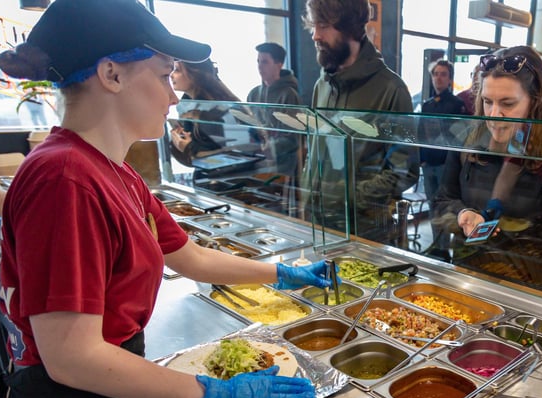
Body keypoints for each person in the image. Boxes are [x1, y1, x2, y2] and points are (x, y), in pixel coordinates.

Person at [0, 0, 330, 398]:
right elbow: (70, 356)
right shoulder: (65, 179)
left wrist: (284, 273)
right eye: (164, 74)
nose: (176, 95)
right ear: (111, 73)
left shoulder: (116, 172)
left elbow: (190, 257)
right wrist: (211, 394)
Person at [433, 46, 542, 293]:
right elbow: (442, 199)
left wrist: (519, 274)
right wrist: (461, 213)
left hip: (535, 292)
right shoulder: (468, 140)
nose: (494, 115)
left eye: (508, 104)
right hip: (470, 279)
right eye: (487, 102)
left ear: (536, 101)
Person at [304, 0, 419, 244]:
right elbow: (313, 152)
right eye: (314, 26)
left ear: (350, 28)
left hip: (365, 233)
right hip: (317, 224)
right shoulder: (321, 85)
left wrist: (345, 195)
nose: (315, 35)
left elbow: (403, 171)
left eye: (323, 26)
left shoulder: (392, 90)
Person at [419, 59, 466, 253]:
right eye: (435, 74)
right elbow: (421, 133)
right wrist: (421, 158)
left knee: (447, 208)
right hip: (429, 163)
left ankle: (446, 247)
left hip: (447, 165)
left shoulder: (457, 104)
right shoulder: (427, 105)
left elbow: (460, 136)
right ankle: (437, 246)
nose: (439, 78)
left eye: (443, 74)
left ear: (450, 79)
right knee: (432, 206)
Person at [246, 42, 302, 185]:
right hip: (257, 164)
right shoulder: (253, 94)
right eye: (258, 61)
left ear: (279, 64)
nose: (259, 66)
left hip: (283, 169)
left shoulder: (289, 95)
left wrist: (269, 148)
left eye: (265, 62)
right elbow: (248, 127)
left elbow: (292, 138)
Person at [169, 58, 241, 166]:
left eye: (177, 70)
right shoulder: (186, 105)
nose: (171, 75)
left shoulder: (216, 111)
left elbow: (237, 154)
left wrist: (189, 148)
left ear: (195, 74)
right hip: (204, 175)